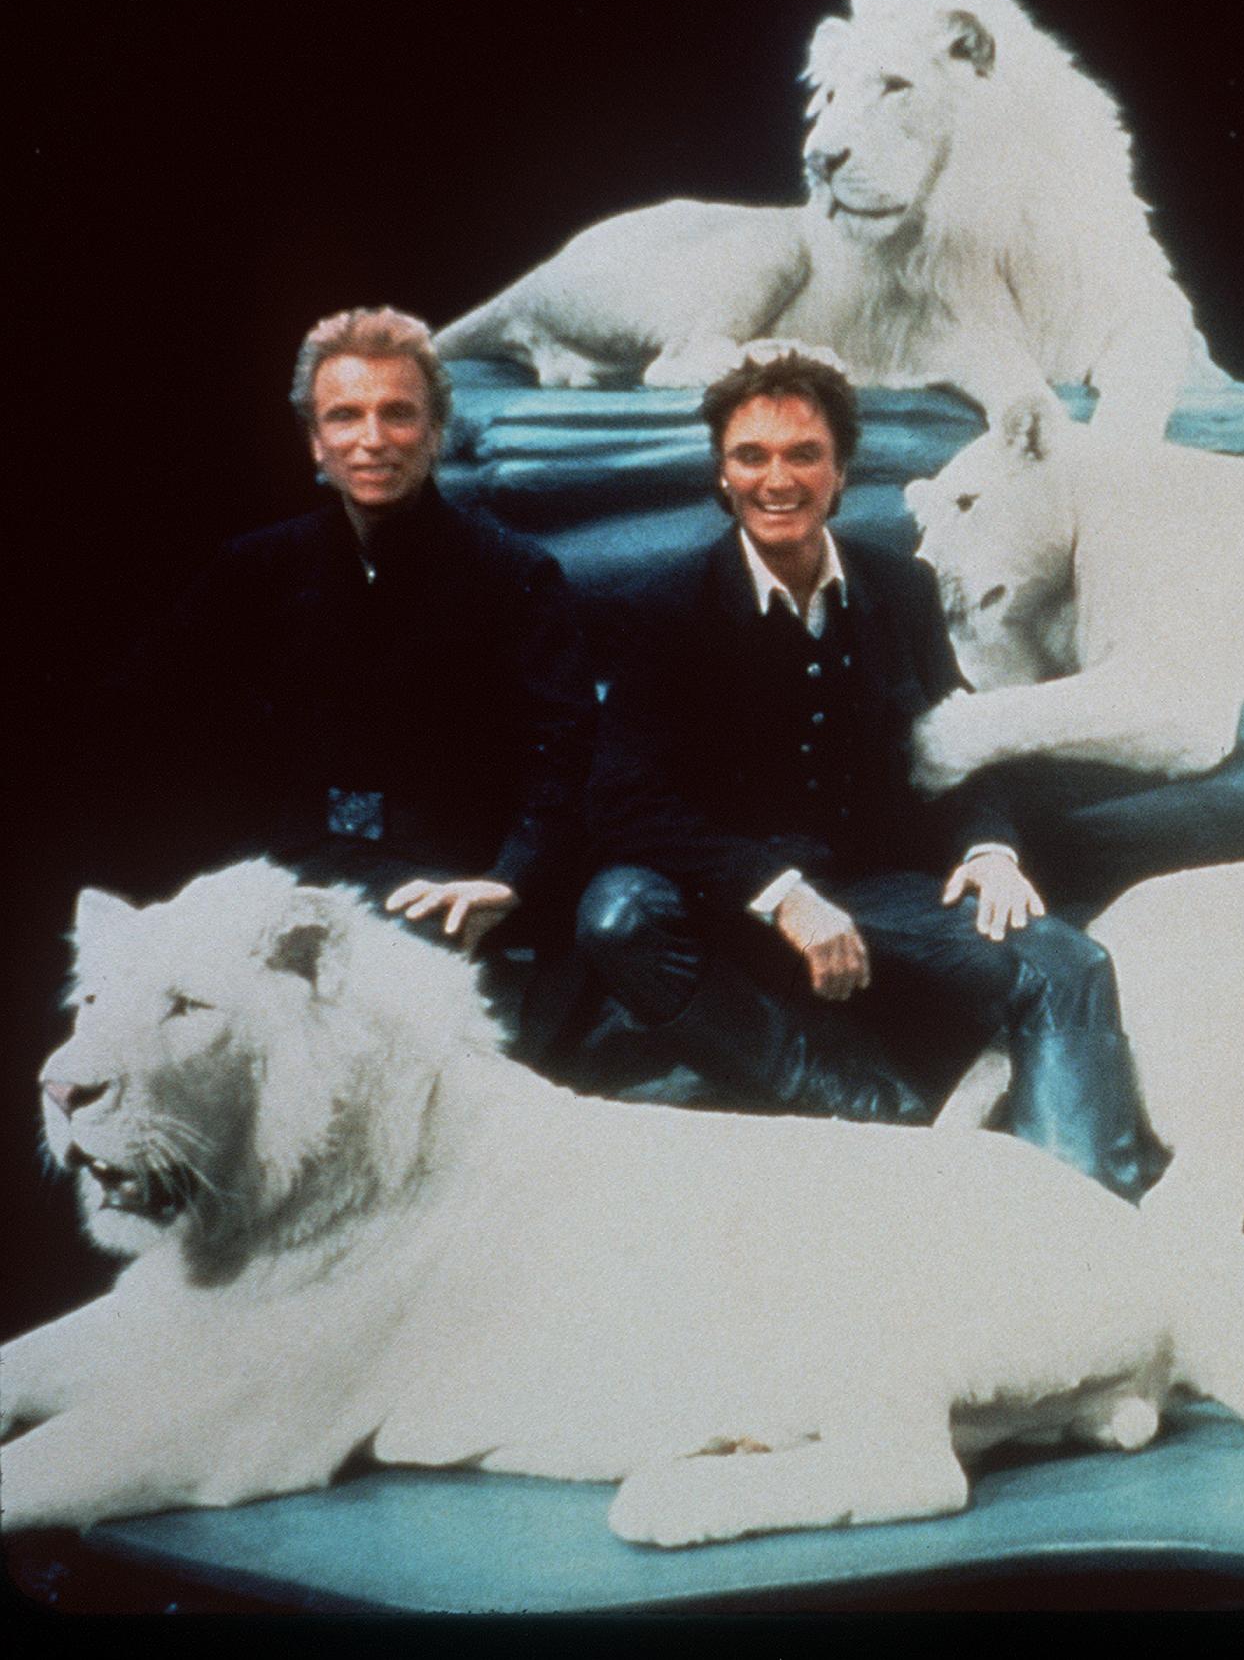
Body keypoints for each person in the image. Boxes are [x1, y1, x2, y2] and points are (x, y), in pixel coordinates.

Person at [573, 349, 1162, 1199]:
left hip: (874, 894)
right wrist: (782, 894)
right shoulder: (664, 604)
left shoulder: (899, 588)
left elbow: (949, 740)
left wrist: (989, 845)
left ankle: (1074, 1219)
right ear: (721, 473)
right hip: (716, 909)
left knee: (1066, 967)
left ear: (841, 469)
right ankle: (867, 1104)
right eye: (751, 456)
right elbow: (623, 801)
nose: (777, 479)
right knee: (617, 914)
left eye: (802, 454)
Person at [112, 307, 595, 1048]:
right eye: (345, 416)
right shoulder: (254, 569)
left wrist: (512, 877)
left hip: (447, 885)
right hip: (286, 874)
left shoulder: (515, 574)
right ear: (315, 439)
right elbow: (158, 718)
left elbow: (563, 754)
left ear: (435, 433)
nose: (372, 439)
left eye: (398, 414)